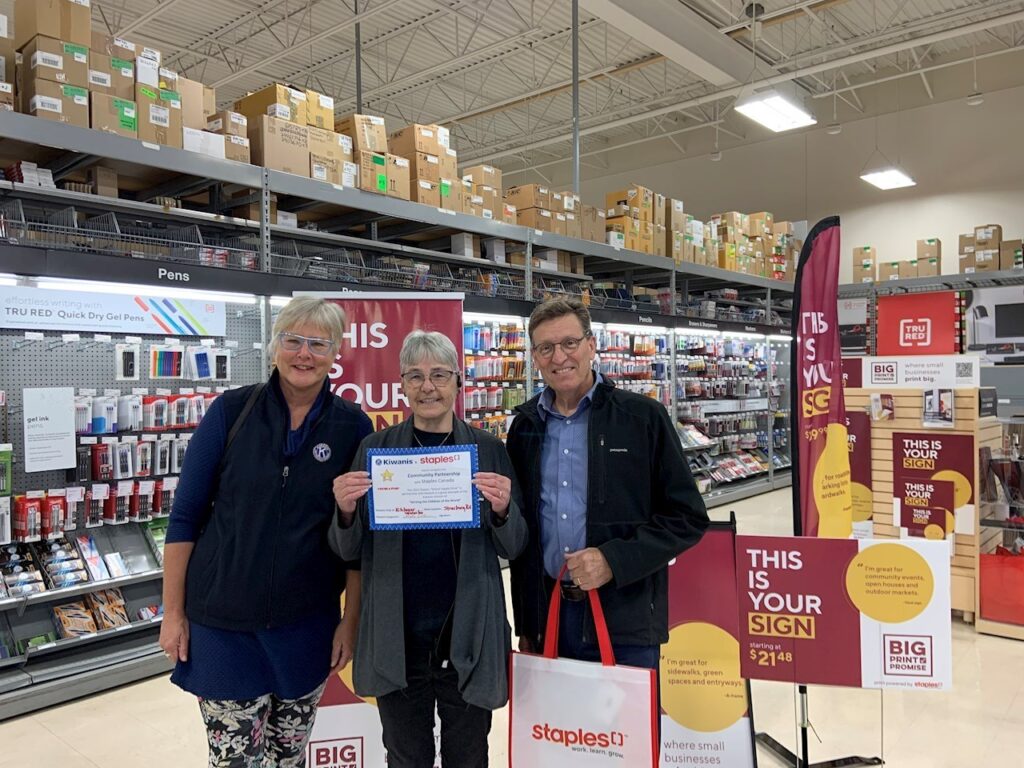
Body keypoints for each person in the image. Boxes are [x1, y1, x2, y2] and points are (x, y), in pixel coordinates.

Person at [160, 296, 372, 768]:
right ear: (275, 347)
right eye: (293, 340)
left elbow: (358, 538)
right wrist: (172, 612)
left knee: (288, 757)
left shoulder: (352, 427)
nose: (304, 354)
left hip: (306, 627)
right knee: (237, 761)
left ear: (336, 353)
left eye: (318, 343)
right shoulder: (231, 412)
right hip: (222, 627)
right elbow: (185, 516)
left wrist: (350, 621)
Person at [330, 330, 527, 768]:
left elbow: (516, 544)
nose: (428, 387)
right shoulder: (375, 450)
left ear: (459, 382)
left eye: (439, 375)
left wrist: (502, 511)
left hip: (467, 637)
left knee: (469, 756)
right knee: (405, 757)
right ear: (402, 385)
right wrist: (344, 511)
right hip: (397, 640)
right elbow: (348, 547)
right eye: (415, 376)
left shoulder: (488, 450)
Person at [507, 297, 710, 684]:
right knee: (558, 736)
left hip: (625, 618)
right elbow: (523, 529)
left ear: (591, 345)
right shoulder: (525, 427)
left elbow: (687, 518)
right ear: (534, 356)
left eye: (569, 343)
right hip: (549, 616)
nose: (559, 357)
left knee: (625, 737)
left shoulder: (641, 418)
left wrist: (613, 560)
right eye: (546, 348)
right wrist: (527, 621)